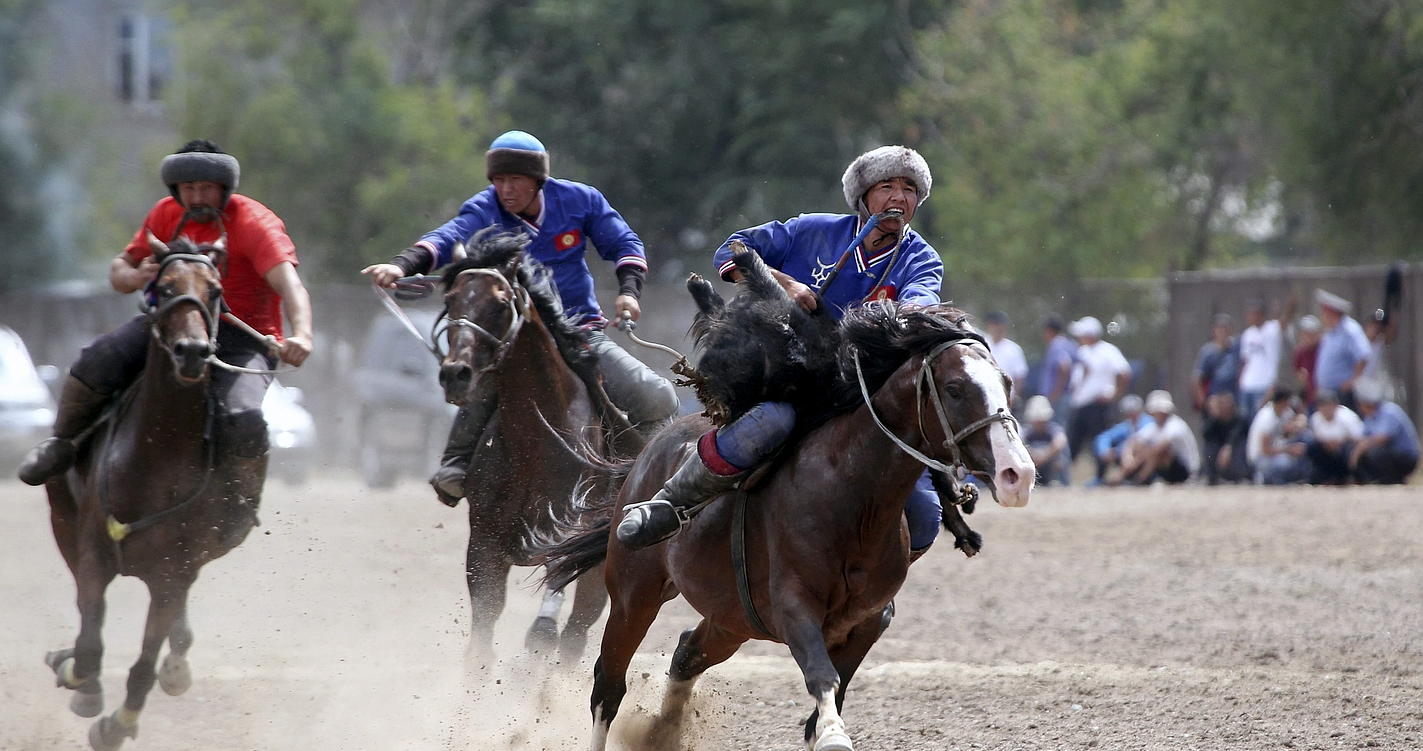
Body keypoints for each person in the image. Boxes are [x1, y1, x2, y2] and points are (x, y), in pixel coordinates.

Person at [617, 145, 946, 552]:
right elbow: (732, 250)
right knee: (769, 423)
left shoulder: (921, 258)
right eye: (887, 186)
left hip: (867, 394)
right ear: (863, 196)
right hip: (792, 376)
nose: (899, 197)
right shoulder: (812, 230)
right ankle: (669, 503)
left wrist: (903, 314)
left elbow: (920, 303)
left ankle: (874, 581)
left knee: (925, 517)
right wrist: (785, 284)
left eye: (909, 189)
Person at [362, 130, 679, 505]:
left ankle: (648, 477)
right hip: (511, 341)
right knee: (481, 382)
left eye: (515, 179)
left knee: (658, 397)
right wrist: (401, 265)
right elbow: (446, 238)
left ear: (538, 180)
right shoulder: (483, 208)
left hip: (579, 331)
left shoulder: (581, 200)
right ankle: (456, 463)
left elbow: (624, 243)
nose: (505, 189)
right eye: (498, 180)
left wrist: (629, 292)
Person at [18, 140, 313, 503]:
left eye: (206, 188)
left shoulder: (255, 223)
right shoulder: (164, 214)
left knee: (245, 418)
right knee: (95, 359)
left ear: (224, 189)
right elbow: (119, 271)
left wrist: (302, 334)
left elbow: (291, 286)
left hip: (242, 338)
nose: (197, 197)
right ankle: (61, 444)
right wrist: (135, 276)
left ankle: (239, 500)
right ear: (176, 189)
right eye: (188, 188)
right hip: (169, 325)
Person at [1065, 316, 1131, 463]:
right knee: (1073, 441)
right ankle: (1067, 472)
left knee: (1098, 441)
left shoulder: (1108, 350)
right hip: (1080, 405)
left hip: (1098, 405)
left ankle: (1100, 472)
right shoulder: (1082, 351)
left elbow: (1124, 373)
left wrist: (1114, 395)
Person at [1118, 390, 1199, 485]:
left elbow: (1159, 448)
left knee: (1160, 452)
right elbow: (1133, 442)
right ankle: (1131, 478)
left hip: (1186, 470)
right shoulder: (1154, 426)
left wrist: (1135, 463)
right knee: (1141, 447)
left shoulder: (1176, 425)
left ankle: (1138, 480)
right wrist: (1128, 457)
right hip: (1169, 468)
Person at [1350, 380, 1420, 484]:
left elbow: (1384, 437)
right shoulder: (1369, 417)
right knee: (1359, 450)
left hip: (1406, 457)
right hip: (1389, 455)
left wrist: (1362, 447)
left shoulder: (1389, 411)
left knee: (1375, 451)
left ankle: (1393, 479)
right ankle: (1370, 479)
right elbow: (1363, 437)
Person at [1313, 289, 1371, 409]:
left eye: (1324, 312)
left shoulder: (1349, 330)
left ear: (1331, 312)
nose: (1322, 315)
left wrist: (1352, 381)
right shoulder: (1330, 331)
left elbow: (1363, 355)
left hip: (1342, 393)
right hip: (1327, 392)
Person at [1237, 297, 1293, 414]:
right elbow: (1245, 360)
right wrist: (1240, 381)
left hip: (1264, 384)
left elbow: (1286, 318)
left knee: (1260, 417)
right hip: (1247, 385)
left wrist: (1290, 302)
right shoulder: (1248, 334)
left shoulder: (1272, 329)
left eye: (1253, 314)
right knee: (1245, 418)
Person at [1246, 386, 1310, 485]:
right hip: (1260, 458)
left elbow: (1294, 426)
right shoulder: (1267, 417)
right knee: (1285, 463)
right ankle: (1265, 477)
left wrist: (1297, 424)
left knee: (1306, 438)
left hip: (1276, 451)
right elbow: (1265, 450)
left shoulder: (1284, 412)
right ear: (1283, 402)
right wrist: (1289, 449)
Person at [1306, 390, 1363, 485]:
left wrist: (1340, 442)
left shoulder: (1347, 417)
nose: (1326, 409)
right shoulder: (1315, 418)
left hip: (1346, 447)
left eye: (1328, 405)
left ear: (1335, 405)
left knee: (1348, 450)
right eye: (1322, 406)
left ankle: (1352, 477)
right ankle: (1327, 477)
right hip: (1327, 449)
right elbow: (1317, 438)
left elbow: (1359, 438)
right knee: (1312, 447)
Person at [1089, 393, 1148, 486]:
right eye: (1128, 412)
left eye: (1133, 412)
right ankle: (1100, 478)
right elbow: (1104, 437)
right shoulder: (1127, 425)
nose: (1131, 415)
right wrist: (1105, 451)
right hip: (1126, 457)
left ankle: (1137, 479)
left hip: (1143, 458)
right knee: (1101, 446)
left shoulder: (1148, 423)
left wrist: (1118, 451)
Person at [1200, 390, 1253, 485]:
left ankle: (1242, 476)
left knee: (1241, 446)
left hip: (1234, 449)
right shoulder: (1215, 421)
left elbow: (1237, 434)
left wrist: (1228, 447)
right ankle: (1211, 476)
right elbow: (1206, 434)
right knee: (1209, 448)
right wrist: (1214, 417)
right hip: (1219, 452)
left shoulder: (1240, 418)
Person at [1192, 313, 1240, 412]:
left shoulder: (1236, 348)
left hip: (1232, 396)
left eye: (1225, 329)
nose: (1222, 332)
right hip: (1214, 396)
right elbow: (1197, 378)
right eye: (1220, 329)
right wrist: (1202, 400)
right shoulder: (1207, 351)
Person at [983, 311, 1028, 411]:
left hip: (1007, 398)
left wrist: (1014, 396)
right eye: (994, 324)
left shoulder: (1014, 349)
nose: (997, 328)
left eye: (999, 325)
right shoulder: (982, 345)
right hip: (985, 397)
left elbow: (1020, 376)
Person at [1022, 395, 1069, 485]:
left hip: (1049, 466)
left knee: (1062, 458)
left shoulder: (1053, 429)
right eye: (1037, 421)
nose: (1040, 424)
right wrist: (1033, 454)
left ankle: (1061, 482)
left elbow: (1060, 441)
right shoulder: (1026, 432)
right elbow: (1021, 442)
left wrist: (1044, 455)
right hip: (1033, 466)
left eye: (1042, 421)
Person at [1038, 314, 1076, 424]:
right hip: (1066, 396)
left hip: (1058, 397)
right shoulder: (1070, 344)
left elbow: (1064, 366)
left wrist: (1056, 393)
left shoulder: (1057, 345)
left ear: (1049, 330)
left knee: (1057, 427)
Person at [1292, 314, 1323, 407]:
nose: (1308, 337)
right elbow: (1297, 370)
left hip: (1325, 396)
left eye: (1312, 334)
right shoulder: (1300, 351)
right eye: (1305, 334)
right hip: (1310, 397)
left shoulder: (1324, 349)